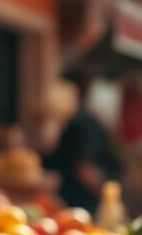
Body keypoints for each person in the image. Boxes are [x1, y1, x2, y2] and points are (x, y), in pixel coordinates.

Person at [43, 79, 122, 212]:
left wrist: (105, 196)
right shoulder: (80, 122)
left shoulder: (81, 124)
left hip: (82, 201)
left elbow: (84, 168)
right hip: (79, 199)